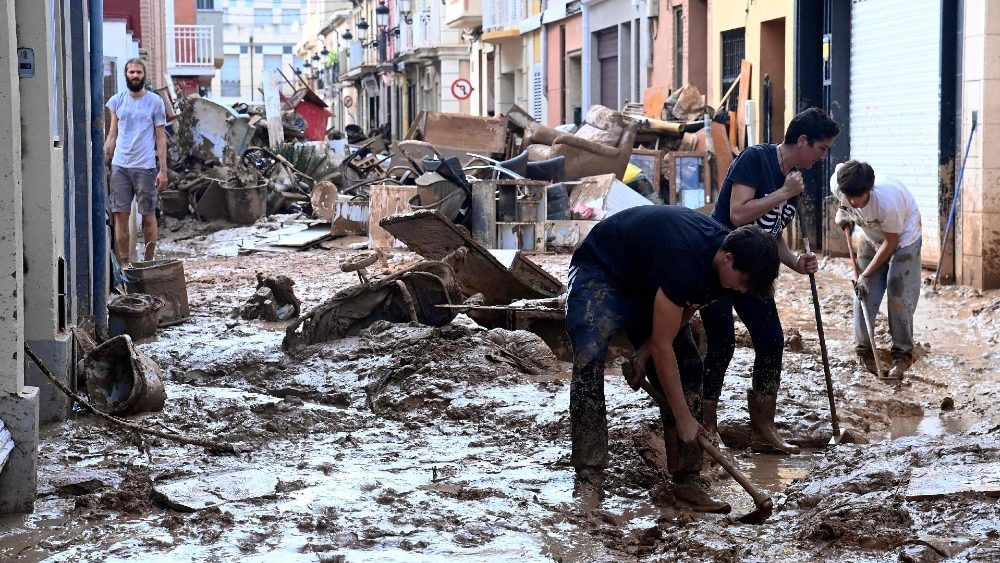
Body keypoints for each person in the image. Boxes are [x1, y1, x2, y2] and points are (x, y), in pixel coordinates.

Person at [566, 205, 780, 513]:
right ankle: (589, 476)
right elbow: (664, 345)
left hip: (652, 282)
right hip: (603, 270)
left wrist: (643, 354)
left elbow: (686, 309)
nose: (743, 289)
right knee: (589, 355)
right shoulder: (687, 259)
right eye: (743, 281)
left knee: (689, 367)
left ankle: (687, 481)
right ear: (728, 258)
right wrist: (683, 417)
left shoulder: (726, 271)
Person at [700, 107, 840, 454]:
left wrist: (794, 261)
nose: (823, 157)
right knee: (722, 343)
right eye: (822, 149)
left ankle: (764, 426)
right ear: (803, 141)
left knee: (772, 339)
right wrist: (783, 193)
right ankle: (706, 424)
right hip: (724, 263)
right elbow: (738, 213)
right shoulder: (756, 159)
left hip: (758, 268)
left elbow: (771, 231)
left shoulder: (796, 177)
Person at [831, 160, 922, 379]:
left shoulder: (887, 201)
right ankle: (864, 352)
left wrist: (865, 274)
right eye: (848, 197)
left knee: (898, 295)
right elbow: (839, 171)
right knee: (863, 294)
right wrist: (842, 212)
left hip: (903, 239)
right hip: (871, 236)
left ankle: (902, 355)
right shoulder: (839, 185)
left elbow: (890, 243)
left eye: (858, 197)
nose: (853, 201)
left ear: (869, 189)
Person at [103, 58, 168, 267]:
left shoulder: (155, 102)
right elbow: (112, 135)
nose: (135, 76)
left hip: (146, 167)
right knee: (121, 216)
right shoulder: (117, 101)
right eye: (131, 72)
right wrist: (104, 156)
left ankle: (148, 264)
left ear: (144, 75)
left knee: (148, 216)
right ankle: (124, 266)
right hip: (120, 166)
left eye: (139, 72)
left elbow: (160, 137)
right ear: (126, 75)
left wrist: (163, 170)